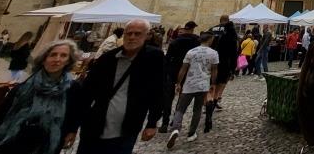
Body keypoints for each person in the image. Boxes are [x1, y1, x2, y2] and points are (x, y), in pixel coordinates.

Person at [76, 18, 164, 154]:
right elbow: (87, 92)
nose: (132, 37)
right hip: (95, 125)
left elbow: (158, 91)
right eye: (129, 33)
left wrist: (152, 123)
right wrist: (73, 127)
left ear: (147, 36)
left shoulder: (154, 57)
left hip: (127, 128)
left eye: (137, 34)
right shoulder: (107, 58)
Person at [0, 39, 80, 154]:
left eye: (63, 56)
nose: (57, 59)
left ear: (68, 61)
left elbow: (75, 113)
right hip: (17, 140)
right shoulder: (25, 86)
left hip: (49, 142)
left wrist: (72, 130)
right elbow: (0, 114)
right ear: (44, 59)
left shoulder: (73, 88)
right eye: (53, 55)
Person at [166, 32, 219, 148]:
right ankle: (191, 133)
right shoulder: (214, 53)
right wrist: (213, 83)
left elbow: (183, 68)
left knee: (180, 109)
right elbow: (214, 70)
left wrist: (178, 83)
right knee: (197, 109)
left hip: (189, 84)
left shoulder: (191, 52)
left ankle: (176, 128)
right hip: (203, 85)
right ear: (210, 40)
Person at [160, 22, 200, 133]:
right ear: (192, 29)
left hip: (173, 70)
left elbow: (168, 58)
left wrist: (166, 72)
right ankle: (175, 120)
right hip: (188, 71)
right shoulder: (196, 42)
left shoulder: (175, 41)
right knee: (182, 97)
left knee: (168, 97)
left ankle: (164, 123)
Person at [211, 15, 238, 106]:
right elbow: (234, 50)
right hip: (225, 59)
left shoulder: (213, 29)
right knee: (222, 81)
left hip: (212, 59)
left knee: (212, 80)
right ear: (228, 20)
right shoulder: (231, 31)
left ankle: (210, 99)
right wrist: (233, 67)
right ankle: (216, 98)